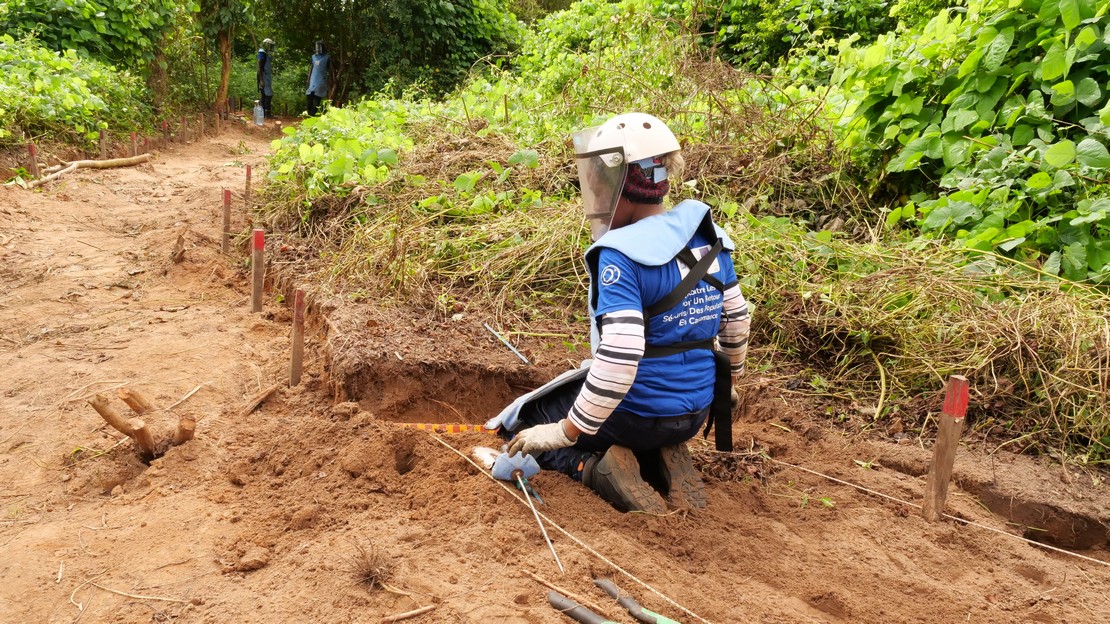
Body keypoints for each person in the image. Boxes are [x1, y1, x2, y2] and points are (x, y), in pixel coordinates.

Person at [490, 112, 751, 514]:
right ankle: (661, 456)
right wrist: (726, 386)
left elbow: (620, 357)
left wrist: (564, 431)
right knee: (625, 415)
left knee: (525, 423)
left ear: (614, 180)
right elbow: (737, 322)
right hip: (696, 411)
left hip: (635, 414)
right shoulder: (707, 238)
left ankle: (595, 470)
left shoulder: (620, 256)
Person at [306, 40, 329, 116]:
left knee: (316, 101)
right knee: (309, 100)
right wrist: (308, 79)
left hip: (321, 82)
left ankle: (312, 116)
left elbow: (329, 70)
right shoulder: (313, 57)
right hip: (312, 81)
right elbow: (311, 68)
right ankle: (309, 115)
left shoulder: (327, 57)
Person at [256, 38, 275, 119]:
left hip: (266, 76)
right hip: (263, 76)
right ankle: (266, 113)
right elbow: (260, 67)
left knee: (265, 94)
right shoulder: (262, 53)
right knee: (267, 94)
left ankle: (265, 113)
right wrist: (261, 80)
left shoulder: (265, 53)